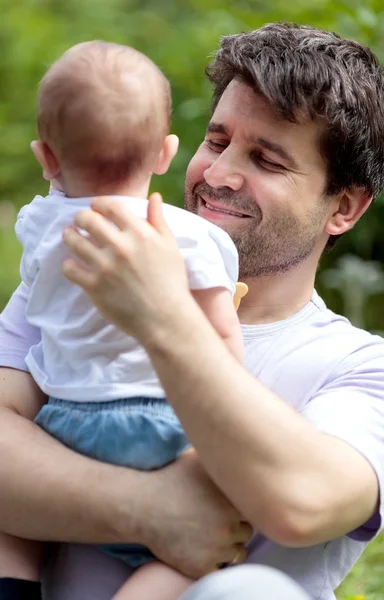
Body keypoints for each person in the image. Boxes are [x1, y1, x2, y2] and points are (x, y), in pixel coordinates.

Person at [0, 21, 384, 600]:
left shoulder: (367, 367)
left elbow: (305, 502)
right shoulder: (88, 272)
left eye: (266, 160)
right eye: (216, 141)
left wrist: (165, 319)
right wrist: (145, 510)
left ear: (344, 207)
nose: (216, 175)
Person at [0, 41, 245, 600]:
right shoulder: (188, 235)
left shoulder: (41, 226)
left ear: (45, 157)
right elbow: (220, 334)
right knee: (211, 535)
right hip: (162, 425)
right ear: (166, 152)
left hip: (64, 425)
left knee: (13, 518)